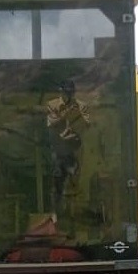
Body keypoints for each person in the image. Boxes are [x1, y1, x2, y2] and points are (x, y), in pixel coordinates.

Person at [46, 79, 90, 209]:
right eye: (65, 91)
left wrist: (76, 115)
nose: (68, 94)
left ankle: (72, 201)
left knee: (75, 176)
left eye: (70, 92)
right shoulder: (52, 105)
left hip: (74, 147)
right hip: (57, 147)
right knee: (57, 178)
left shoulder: (81, 106)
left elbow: (86, 124)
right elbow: (51, 123)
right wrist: (65, 115)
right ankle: (58, 204)